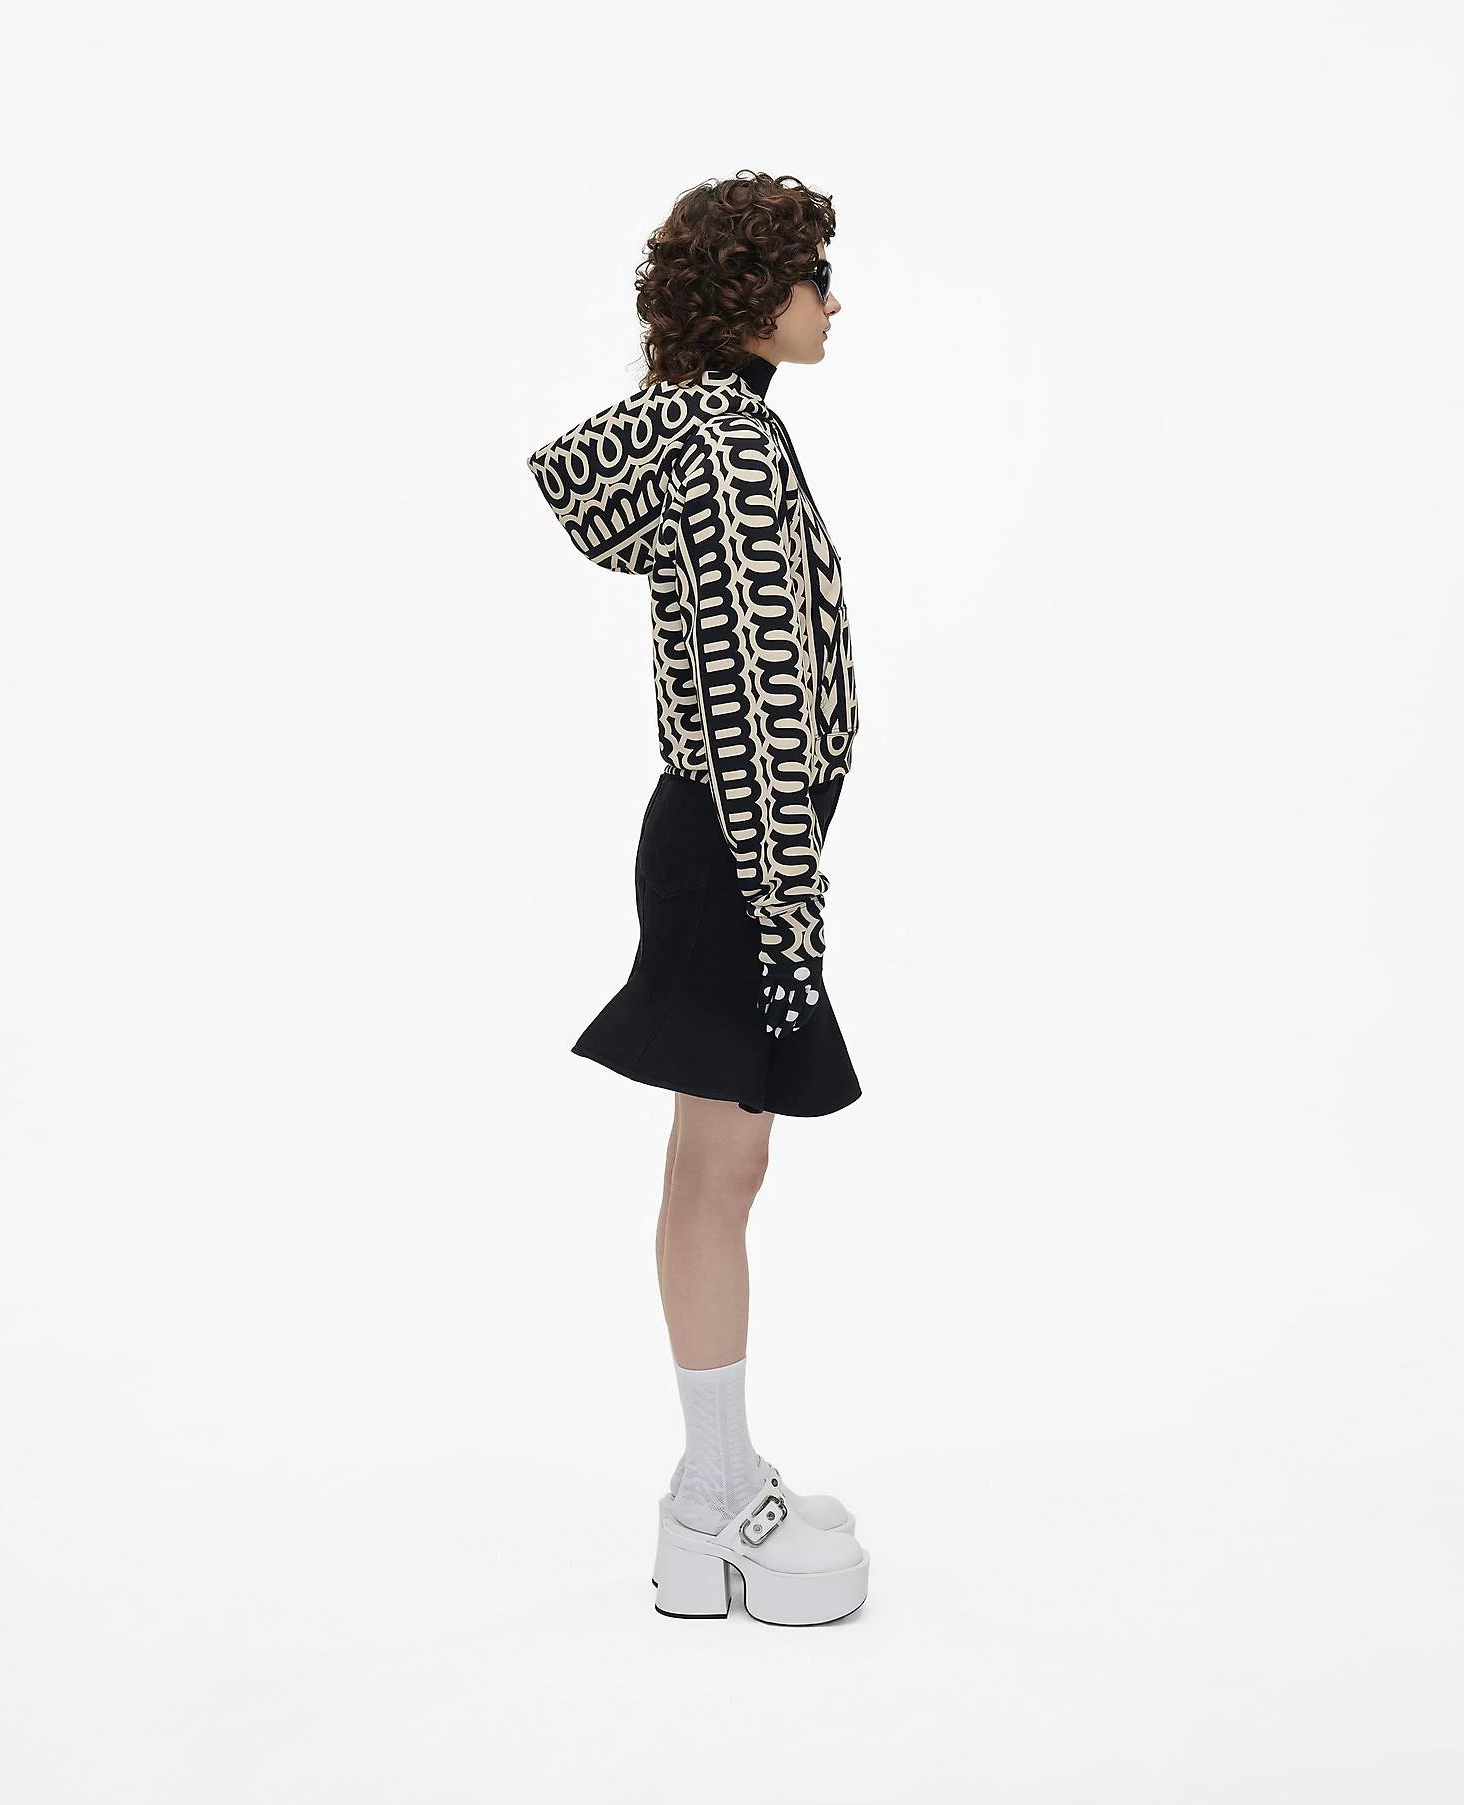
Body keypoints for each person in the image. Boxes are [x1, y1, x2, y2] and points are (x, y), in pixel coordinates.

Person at [526, 171, 868, 1626]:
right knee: (723, 1171)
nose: (833, 301)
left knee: (715, 1165)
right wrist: (785, 905)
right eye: (813, 276)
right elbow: (754, 700)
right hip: (739, 841)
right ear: (751, 297)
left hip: (722, 837)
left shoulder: (712, 429)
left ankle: (713, 1484)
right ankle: (713, 1499)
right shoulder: (729, 448)